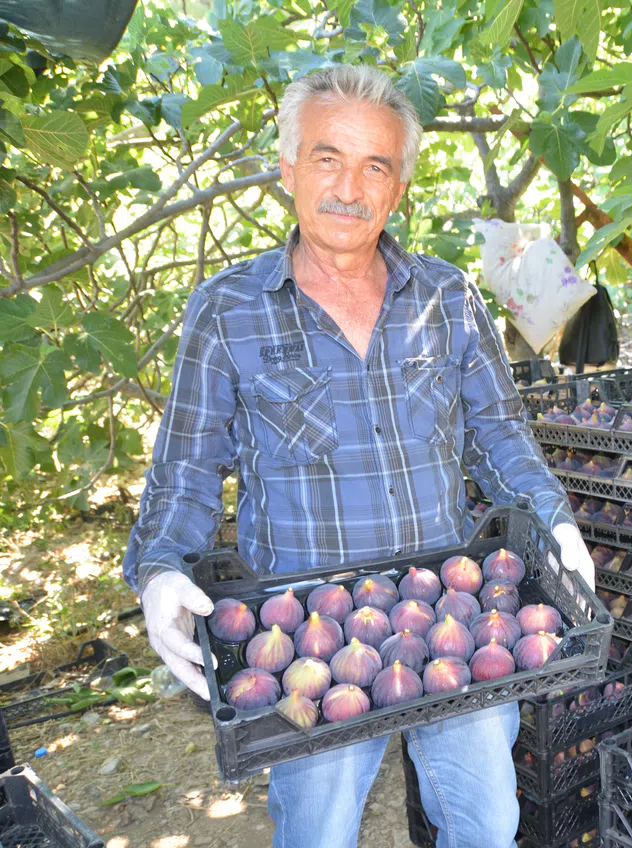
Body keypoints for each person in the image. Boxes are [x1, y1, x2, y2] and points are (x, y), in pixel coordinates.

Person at [121, 64, 595, 848]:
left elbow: (501, 436)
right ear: (287, 168)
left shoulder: (448, 299)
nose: (350, 186)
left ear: (398, 187)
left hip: (452, 614)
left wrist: (555, 521)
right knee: (319, 834)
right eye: (327, 157)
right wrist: (163, 567)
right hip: (307, 637)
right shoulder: (228, 310)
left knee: (488, 826)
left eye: (375, 165)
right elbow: (188, 469)